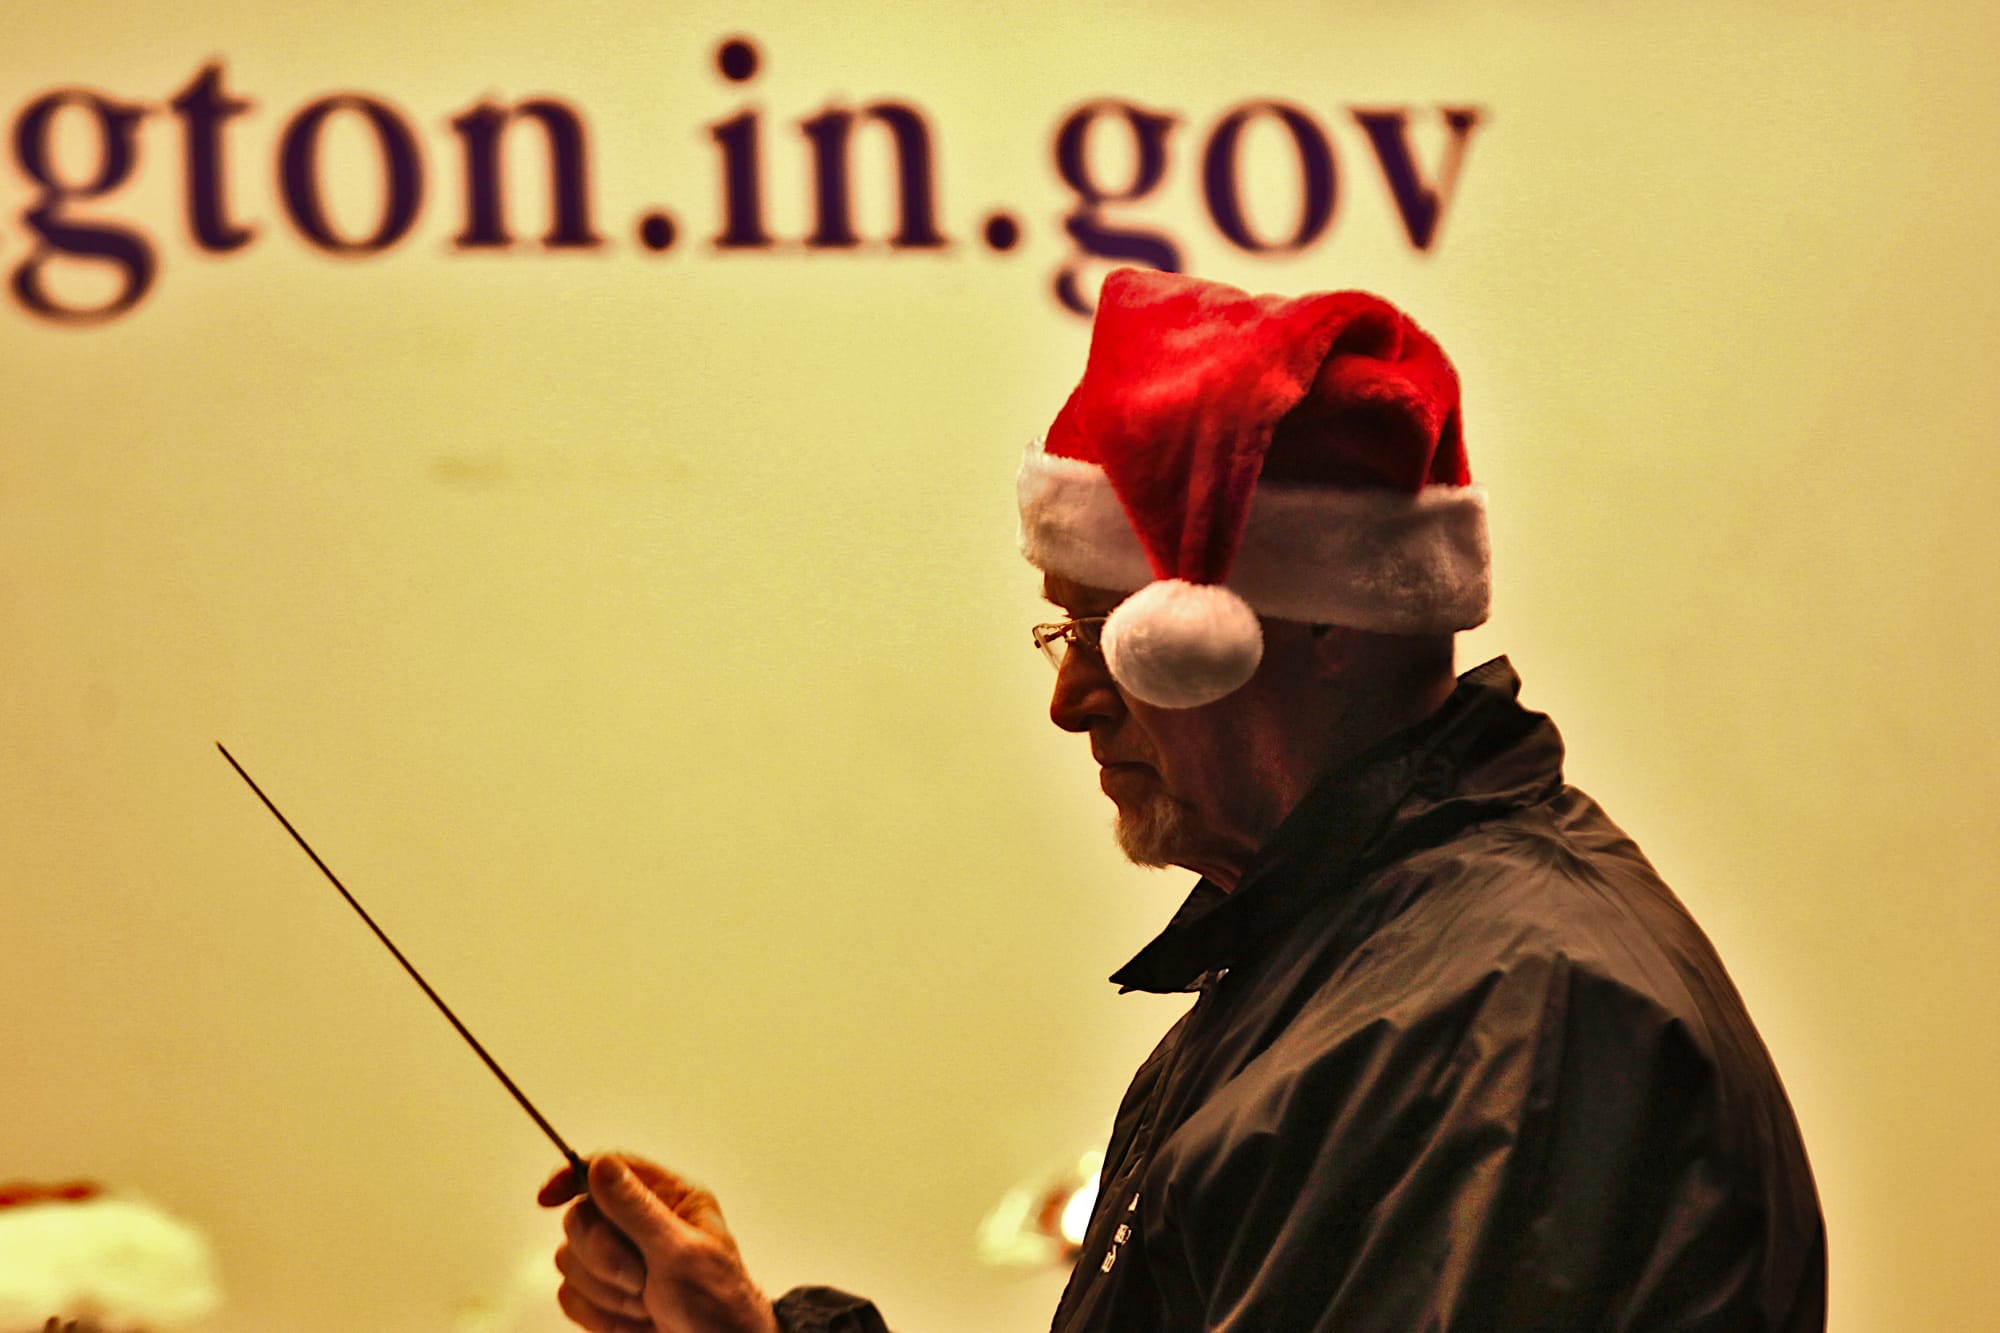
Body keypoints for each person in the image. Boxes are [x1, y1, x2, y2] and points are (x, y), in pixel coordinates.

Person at [540, 269, 1827, 1332]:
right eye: (1063, 635)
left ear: (1324, 627)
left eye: (1111, 634)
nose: (1070, 701)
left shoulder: (1497, 1021)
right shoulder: (1364, 962)